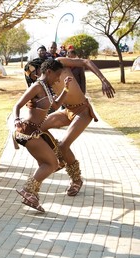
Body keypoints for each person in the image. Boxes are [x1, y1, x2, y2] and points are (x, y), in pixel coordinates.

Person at [40, 57, 115, 197]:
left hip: (83, 111)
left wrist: (103, 80)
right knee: (38, 127)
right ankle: (58, 157)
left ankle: (76, 179)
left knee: (63, 145)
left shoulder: (60, 62)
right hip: (67, 111)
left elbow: (86, 62)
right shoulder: (44, 80)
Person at [12, 59, 72, 212]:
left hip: (36, 132)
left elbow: (56, 106)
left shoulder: (48, 88)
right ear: (49, 72)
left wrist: (65, 89)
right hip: (26, 132)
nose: (58, 79)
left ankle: (32, 195)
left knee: (48, 164)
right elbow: (17, 105)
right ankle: (27, 191)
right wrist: (16, 119)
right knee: (51, 164)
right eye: (57, 75)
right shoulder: (37, 86)